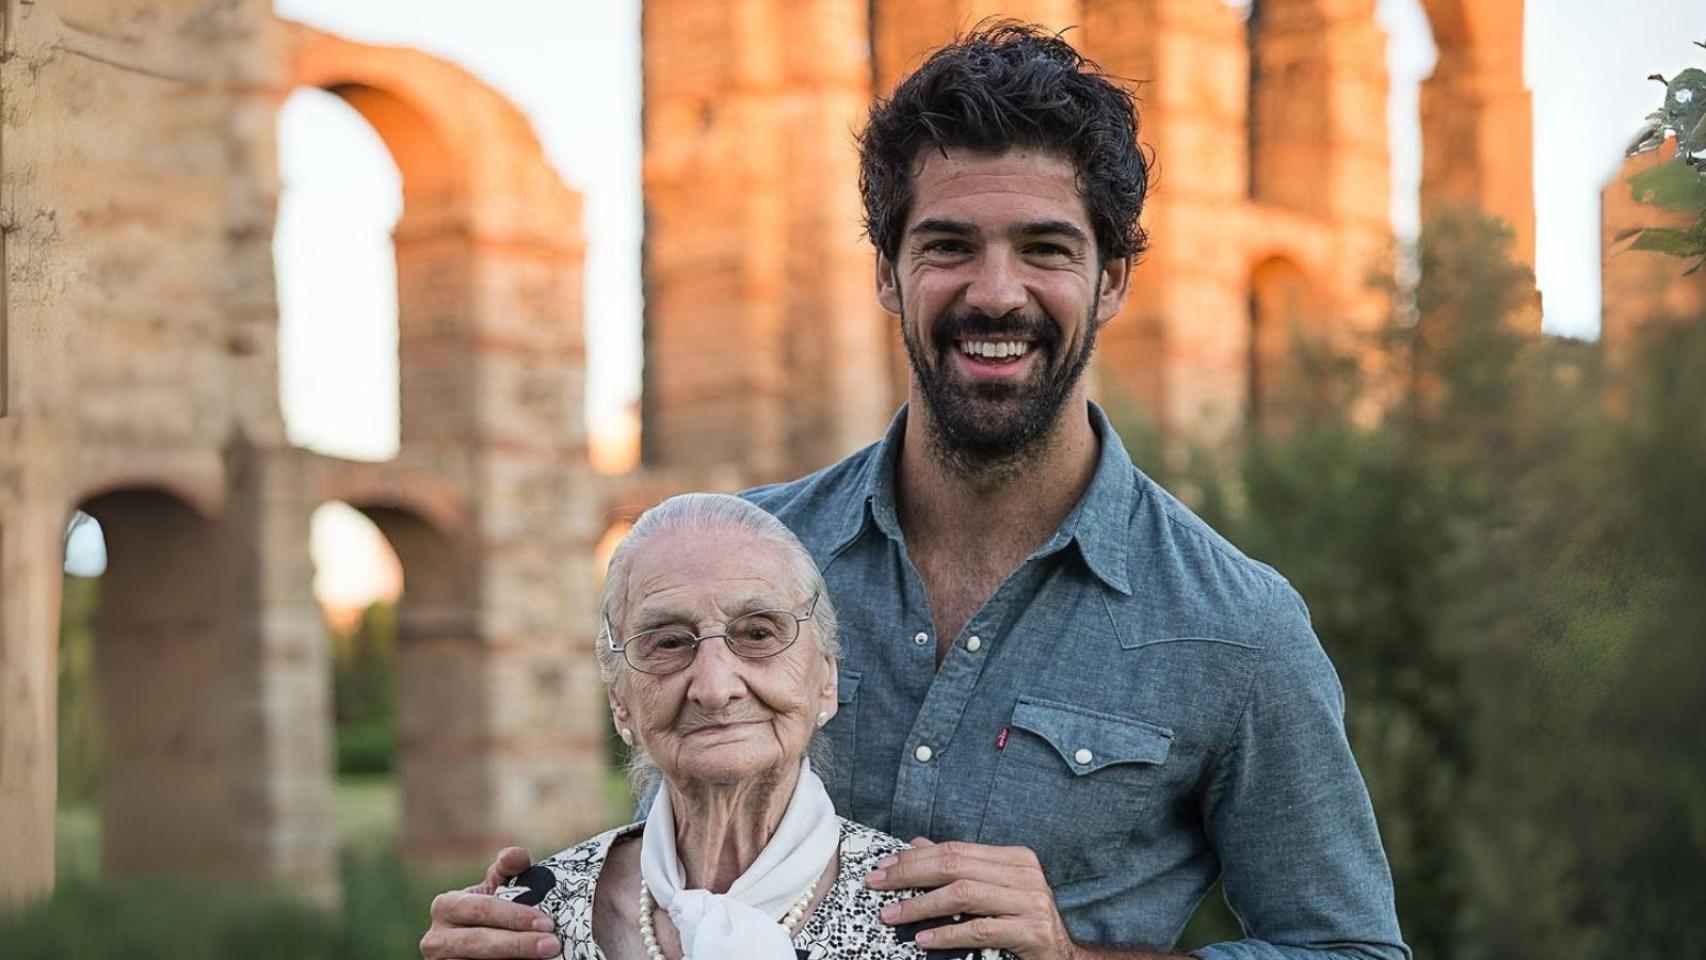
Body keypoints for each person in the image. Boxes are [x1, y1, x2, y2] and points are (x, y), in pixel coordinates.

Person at [424, 22, 1410, 960]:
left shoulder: (1236, 627)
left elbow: (1347, 946)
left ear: (1110, 281)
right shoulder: (744, 551)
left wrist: (1070, 953)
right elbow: (678, 880)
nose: (992, 292)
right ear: (888, 276)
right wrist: (556, 926)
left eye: (1044, 248)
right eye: (946, 246)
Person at [450, 492, 1011, 960]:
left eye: (759, 634)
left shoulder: (946, 931)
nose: (715, 688)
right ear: (620, 702)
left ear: (826, 681)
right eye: (668, 643)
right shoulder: (527, 923)